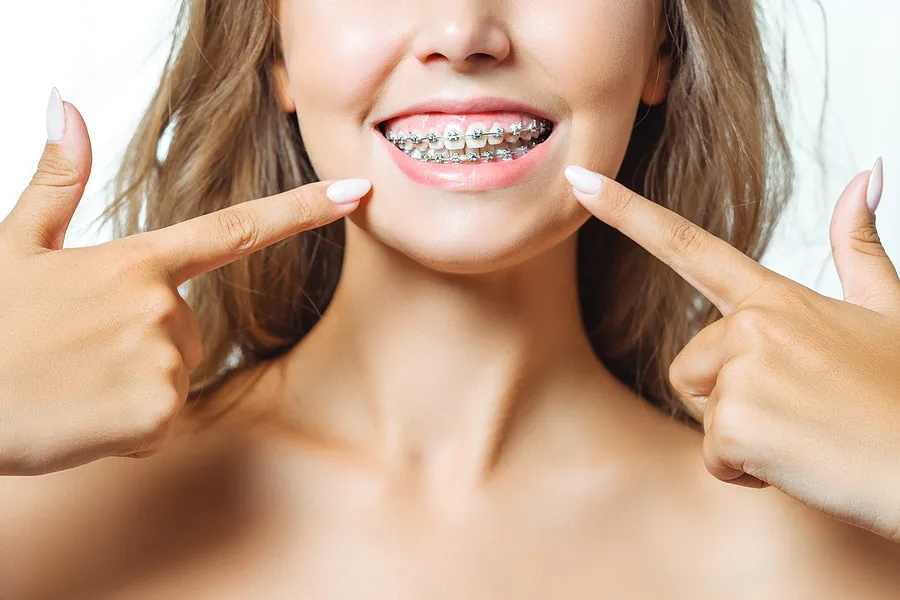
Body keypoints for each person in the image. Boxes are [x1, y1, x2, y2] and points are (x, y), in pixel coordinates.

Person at [1, 0, 900, 597]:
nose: (463, 31)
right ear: (274, 50)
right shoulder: (35, 517)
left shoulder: (836, 556)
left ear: (661, 45)